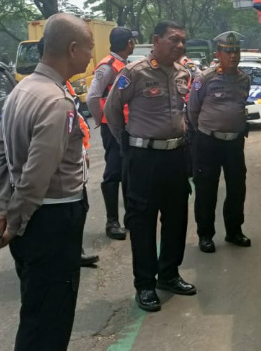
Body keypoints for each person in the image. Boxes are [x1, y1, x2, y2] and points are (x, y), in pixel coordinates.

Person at [0, 14, 95, 351]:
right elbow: (36, 176)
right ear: (73, 48)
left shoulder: (23, 90)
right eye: (89, 48)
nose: (91, 56)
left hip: (31, 218)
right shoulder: (56, 101)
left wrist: (3, 210)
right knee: (51, 319)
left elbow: (0, 158)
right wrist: (13, 224)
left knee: (35, 310)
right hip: (52, 220)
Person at [104, 20, 196, 312]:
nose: (180, 46)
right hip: (143, 159)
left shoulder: (183, 73)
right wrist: (127, 143)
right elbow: (111, 110)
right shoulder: (134, 73)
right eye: (173, 40)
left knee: (176, 217)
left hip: (176, 157)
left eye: (183, 40)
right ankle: (144, 284)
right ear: (156, 40)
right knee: (142, 222)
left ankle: (168, 274)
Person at [36, 37, 100, 267]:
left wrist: (82, 150)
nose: (89, 57)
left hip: (74, 158)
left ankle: (74, 250)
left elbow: (77, 120)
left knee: (80, 205)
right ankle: (62, 255)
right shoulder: (47, 91)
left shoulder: (65, 84)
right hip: (59, 170)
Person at [188, 31, 251, 253]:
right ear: (218, 54)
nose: (233, 56)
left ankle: (234, 231)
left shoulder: (244, 78)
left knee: (237, 188)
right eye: (228, 51)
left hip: (234, 144)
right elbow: (192, 111)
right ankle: (205, 235)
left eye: (236, 51)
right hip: (208, 143)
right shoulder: (204, 79)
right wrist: (206, 132)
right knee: (206, 190)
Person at [87, 26, 138, 240]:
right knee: (114, 172)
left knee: (127, 170)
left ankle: (130, 218)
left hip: (125, 125)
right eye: (133, 41)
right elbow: (92, 96)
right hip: (112, 127)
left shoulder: (121, 64)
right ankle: (112, 222)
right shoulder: (107, 66)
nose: (134, 44)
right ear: (129, 43)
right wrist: (101, 119)